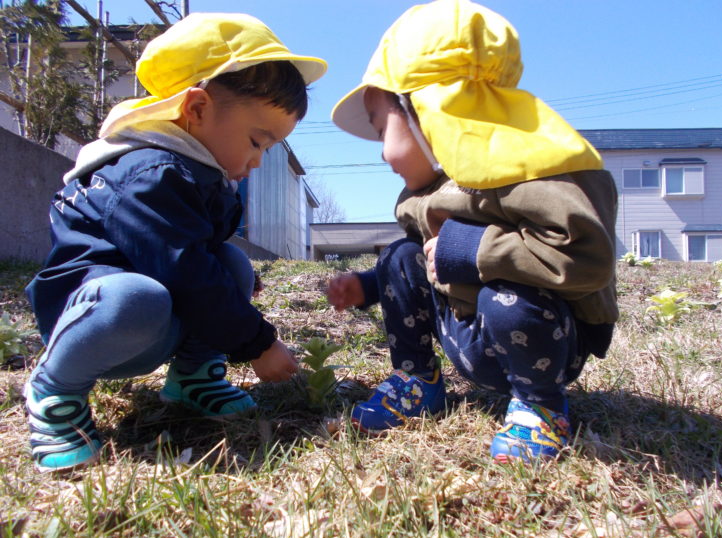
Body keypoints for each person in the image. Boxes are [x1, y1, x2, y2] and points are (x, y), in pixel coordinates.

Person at [23, 13, 327, 472]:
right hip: (97, 318)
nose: (257, 161)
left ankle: (193, 376)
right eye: (256, 142)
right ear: (197, 109)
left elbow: (201, 259)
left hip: (156, 316)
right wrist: (258, 343)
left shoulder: (200, 174)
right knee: (142, 294)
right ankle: (54, 388)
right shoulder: (149, 173)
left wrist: (235, 289)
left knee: (232, 264)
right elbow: (184, 271)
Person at [327, 0, 618, 463]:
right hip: (469, 332)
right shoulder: (434, 189)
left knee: (507, 298)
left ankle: (541, 407)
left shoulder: (533, 171)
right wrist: (370, 285)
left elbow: (584, 257)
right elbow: (424, 262)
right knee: (400, 255)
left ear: (425, 110)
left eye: (382, 129)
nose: (382, 152)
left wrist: (474, 248)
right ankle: (417, 380)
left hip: (543, 339)